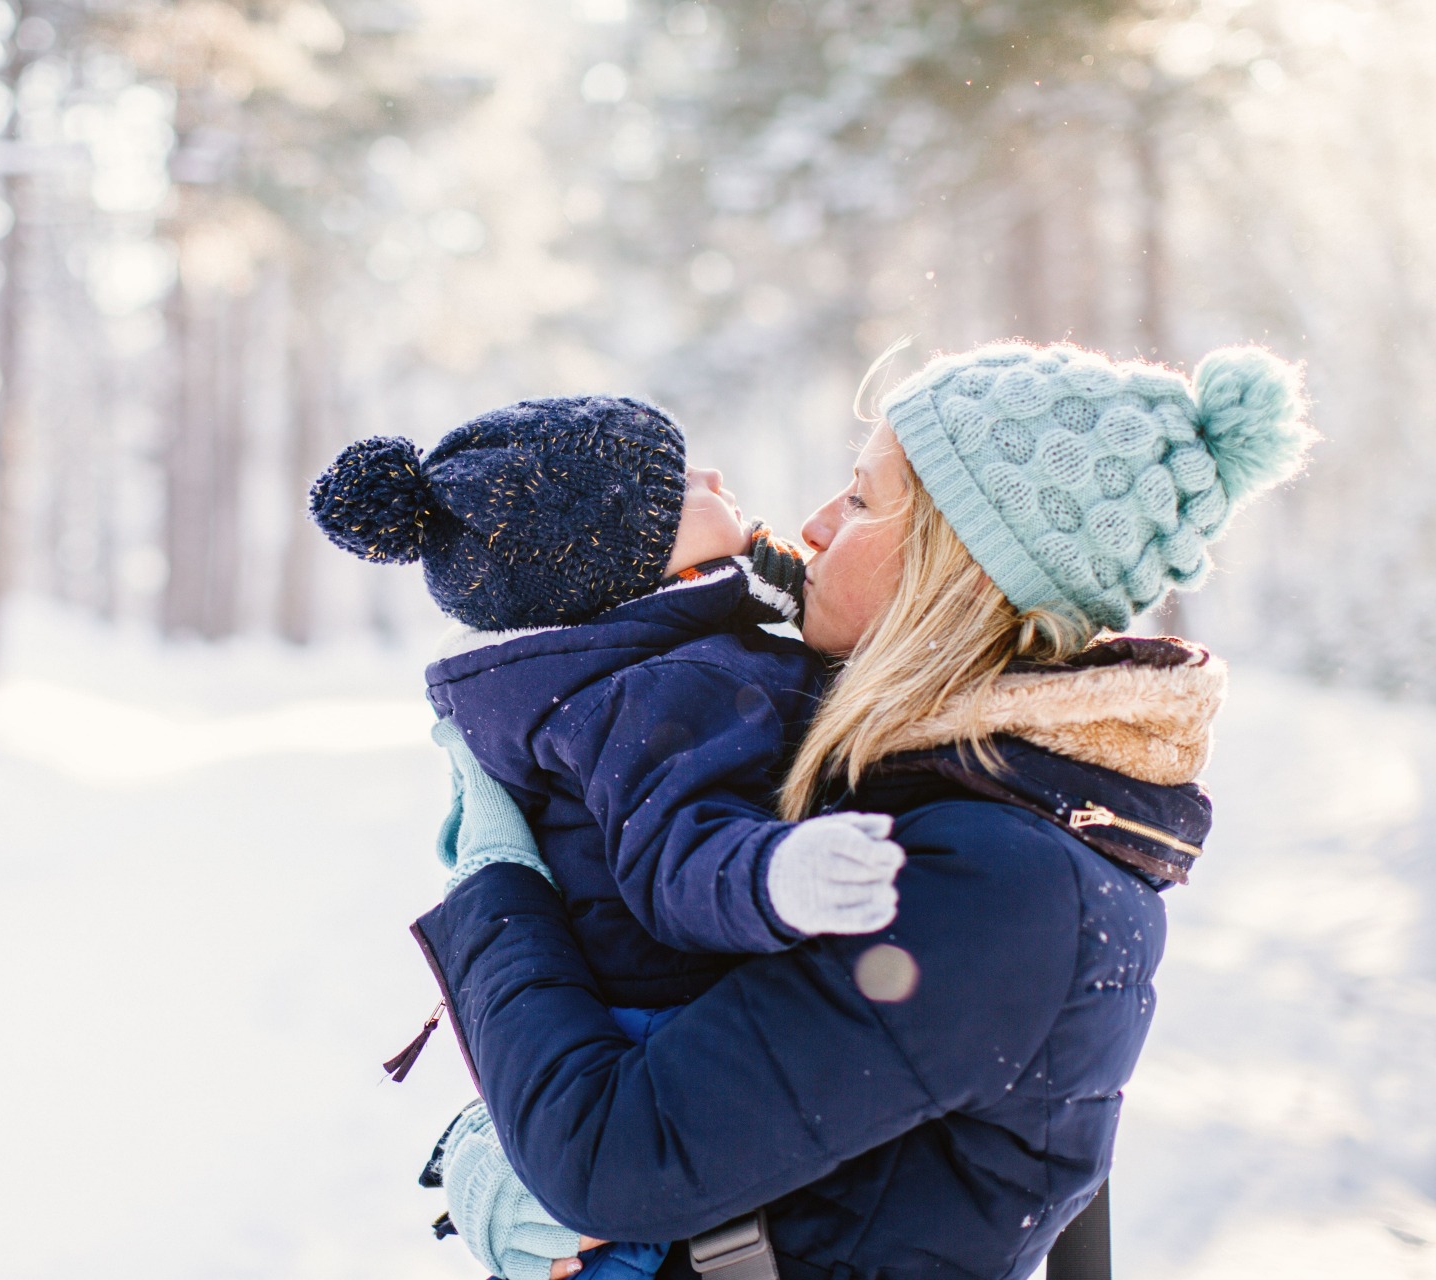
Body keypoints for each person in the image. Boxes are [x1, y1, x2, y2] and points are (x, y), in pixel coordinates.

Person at [412, 342, 1316, 1280]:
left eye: (859, 500)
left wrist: (496, 882)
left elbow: (613, 1160)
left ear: (958, 566)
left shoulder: (1002, 879)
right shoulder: (920, 792)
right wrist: (509, 1128)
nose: (810, 524)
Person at [308, 396, 910, 1280]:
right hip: (656, 1025)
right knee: (617, 1253)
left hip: (644, 1019)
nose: (711, 478)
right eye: (678, 485)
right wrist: (781, 876)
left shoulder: (662, 649)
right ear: (622, 561)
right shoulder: (658, 688)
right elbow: (680, 854)